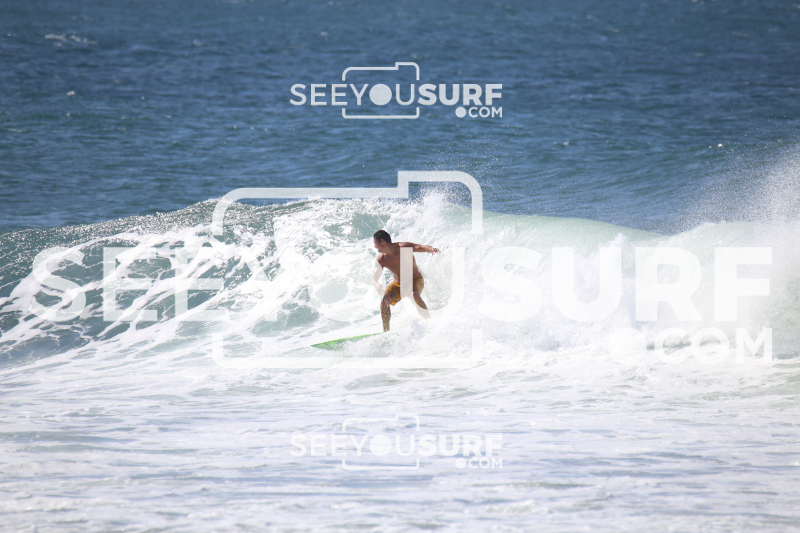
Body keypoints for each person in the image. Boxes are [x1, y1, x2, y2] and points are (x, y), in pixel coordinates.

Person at [371, 229, 440, 331]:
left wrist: (431, 249)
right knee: (385, 301)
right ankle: (386, 332)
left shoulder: (403, 247)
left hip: (415, 280)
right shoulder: (381, 259)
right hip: (398, 284)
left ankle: (430, 322)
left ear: (382, 241)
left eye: (376, 243)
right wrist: (376, 285)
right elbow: (374, 276)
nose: (375, 246)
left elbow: (421, 247)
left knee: (414, 294)